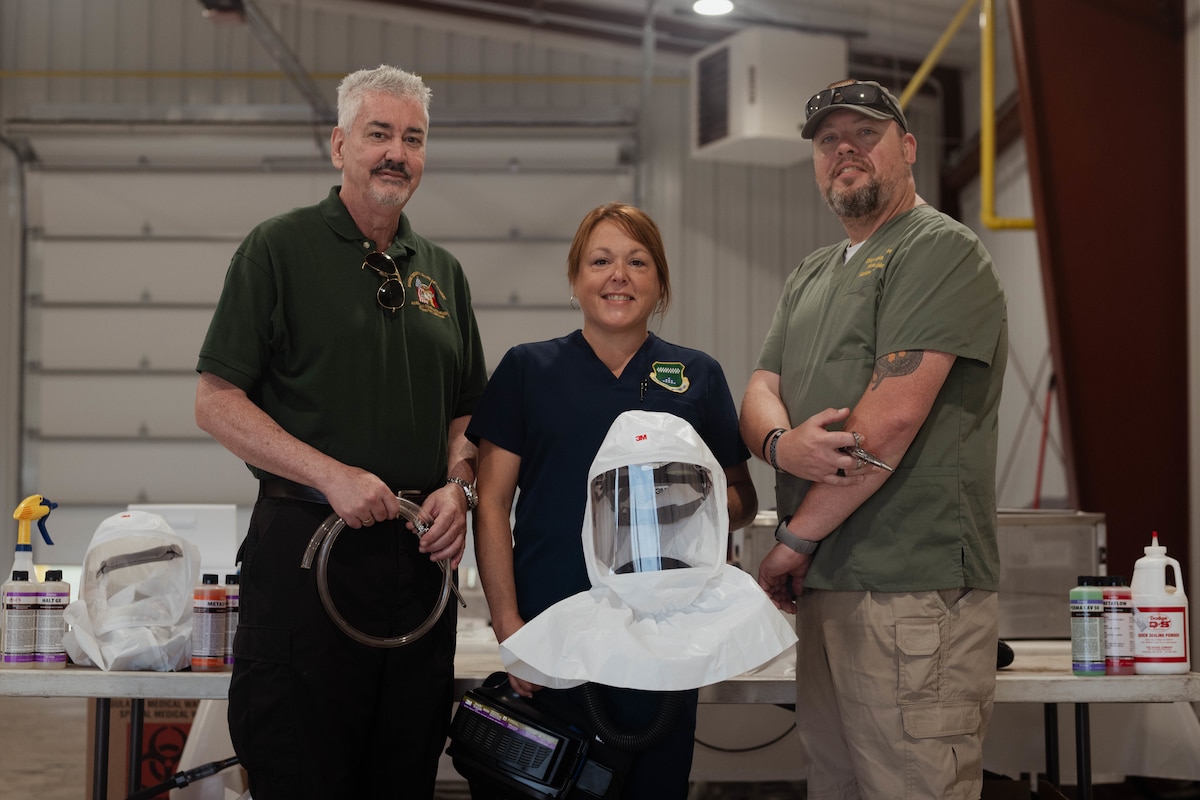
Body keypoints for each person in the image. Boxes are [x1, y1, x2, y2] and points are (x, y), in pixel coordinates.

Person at [194, 65, 487, 800]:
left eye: (412, 138)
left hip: (419, 565)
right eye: (378, 134)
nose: (396, 152)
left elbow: (466, 414)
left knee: (404, 772)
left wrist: (459, 485)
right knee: (301, 771)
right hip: (304, 559)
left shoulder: (443, 275)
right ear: (339, 145)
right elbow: (216, 401)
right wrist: (330, 475)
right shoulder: (278, 251)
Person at [739, 79, 1008, 800]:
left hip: (908, 590)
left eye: (866, 133)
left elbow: (889, 419)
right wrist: (779, 448)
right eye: (828, 140)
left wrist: (792, 541)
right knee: (839, 785)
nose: (844, 150)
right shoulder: (812, 273)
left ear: (908, 147)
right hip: (828, 588)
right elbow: (759, 389)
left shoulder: (939, 250)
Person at [467, 202, 757, 798]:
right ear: (576, 280)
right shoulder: (528, 369)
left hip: (661, 643)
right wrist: (511, 630)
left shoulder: (695, 375)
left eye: (637, 261)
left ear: (660, 283)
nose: (617, 275)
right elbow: (491, 503)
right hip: (552, 640)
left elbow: (742, 497)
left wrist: (692, 510)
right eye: (600, 261)